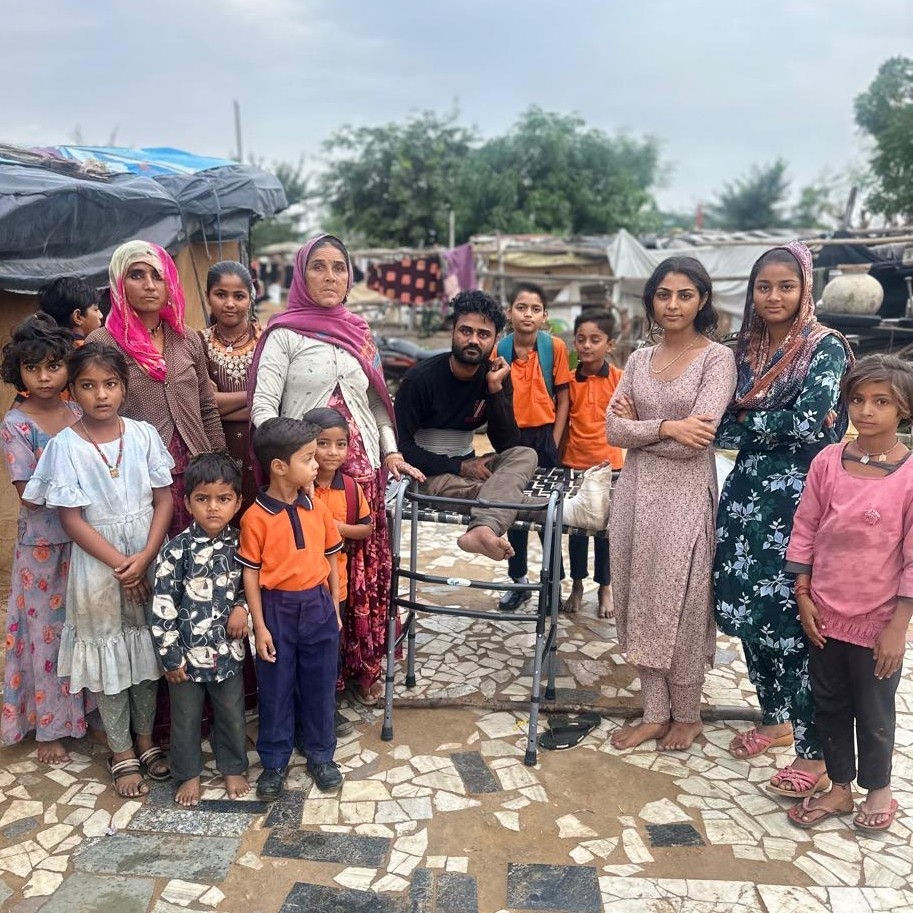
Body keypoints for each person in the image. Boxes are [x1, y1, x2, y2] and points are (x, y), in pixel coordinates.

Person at [249, 234, 421, 707]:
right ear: (301, 274)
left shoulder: (361, 332)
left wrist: (389, 453)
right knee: (315, 576)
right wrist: (288, 467)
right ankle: (318, 681)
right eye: (319, 267)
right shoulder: (283, 334)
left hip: (361, 479)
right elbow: (263, 406)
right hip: (307, 483)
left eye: (339, 267)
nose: (330, 277)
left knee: (363, 575)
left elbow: (378, 405)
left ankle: (360, 667)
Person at [714, 241, 853, 798]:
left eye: (786, 286)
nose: (774, 297)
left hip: (800, 497)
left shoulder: (824, 348)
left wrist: (745, 418)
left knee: (790, 618)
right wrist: (751, 420)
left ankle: (815, 751)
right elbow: (716, 423)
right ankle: (774, 718)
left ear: (805, 290)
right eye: (764, 286)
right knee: (747, 609)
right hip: (745, 494)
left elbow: (810, 425)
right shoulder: (741, 349)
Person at [24, 342, 174, 797]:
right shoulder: (65, 447)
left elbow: (164, 498)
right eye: (88, 386)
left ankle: (146, 739)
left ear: (125, 388)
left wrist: (145, 559)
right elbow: (71, 518)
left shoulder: (145, 434)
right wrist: (120, 565)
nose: (101, 395)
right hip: (98, 568)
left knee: (147, 652)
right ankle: (120, 748)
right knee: (110, 656)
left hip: (149, 556)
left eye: (110, 384)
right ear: (73, 392)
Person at [607, 257, 737, 752]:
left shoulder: (715, 359)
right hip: (636, 493)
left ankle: (687, 712)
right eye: (664, 294)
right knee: (638, 594)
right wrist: (664, 427)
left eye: (685, 295)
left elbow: (698, 439)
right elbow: (612, 429)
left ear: (702, 299)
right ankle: (654, 712)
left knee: (683, 602)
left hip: (685, 496)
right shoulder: (640, 359)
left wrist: (649, 430)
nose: (673, 304)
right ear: (651, 301)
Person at [784, 355, 913, 830]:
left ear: (905, 409)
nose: (866, 410)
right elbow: (806, 526)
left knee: (873, 709)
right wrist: (803, 595)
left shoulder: (910, 475)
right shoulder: (827, 462)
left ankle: (879, 788)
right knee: (830, 703)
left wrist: (898, 627)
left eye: (882, 401)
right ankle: (839, 787)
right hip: (823, 614)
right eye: (857, 399)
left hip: (878, 622)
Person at [0, 317, 96, 762]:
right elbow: (29, 493)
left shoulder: (79, 412)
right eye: (32, 367)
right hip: (42, 547)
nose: (43, 376)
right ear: (17, 371)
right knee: (45, 635)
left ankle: (89, 710)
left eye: (54, 366)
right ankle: (48, 727)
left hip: (87, 540)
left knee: (86, 625)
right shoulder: (16, 424)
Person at [88, 240, 225, 540]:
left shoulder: (187, 338)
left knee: (200, 557)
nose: (149, 285)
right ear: (119, 282)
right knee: (152, 558)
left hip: (196, 470)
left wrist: (220, 462)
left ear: (170, 283)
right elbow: (94, 415)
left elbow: (206, 407)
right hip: (138, 476)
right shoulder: (101, 343)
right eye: (137, 275)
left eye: (158, 276)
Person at [238, 417, 344, 800]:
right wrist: (260, 627)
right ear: (279, 466)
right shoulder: (255, 517)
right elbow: (251, 575)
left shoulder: (317, 510)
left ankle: (320, 754)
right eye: (309, 458)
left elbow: (331, 558)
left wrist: (333, 605)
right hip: (277, 610)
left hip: (316, 605)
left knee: (319, 684)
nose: (317, 465)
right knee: (276, 687)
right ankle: (275, 760)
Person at [395, 290, 539, 562]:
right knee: (483, 493)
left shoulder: (495, 375)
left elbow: (507, 443)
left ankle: (483, 527)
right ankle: (565, 510)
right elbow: (401, 448)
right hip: (426, 474)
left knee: (525, 454)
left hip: (470, 463)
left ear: (495, 339)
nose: (473, 340)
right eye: (466, 331)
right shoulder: (419, 380)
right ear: (453, 331)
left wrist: (496, 391)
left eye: (483, 334)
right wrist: (460, 467)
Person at [151, 451, 250, 807]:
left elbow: (252, 586)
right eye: (203, 499)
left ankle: (233, 767)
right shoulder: (175, 551)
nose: (213, 508)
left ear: (237, 502)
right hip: (186, 661)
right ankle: (188, 773)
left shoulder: (243, 545)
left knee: (231, 715)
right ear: (188, 502)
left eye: (223, 499)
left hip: (228, 653)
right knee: (185, 719)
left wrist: (242, 608)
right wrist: (170, 657)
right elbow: (163, 606)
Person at [497, 282, 571, 611]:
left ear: (544, 316)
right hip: (513, 439)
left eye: (535, 309)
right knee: (513, 510)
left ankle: (552, 583)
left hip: (544, 437)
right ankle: (519, 581)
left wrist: (553, 441)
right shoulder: (501, 349)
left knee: (548, 512)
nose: (528, 314)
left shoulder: (552, 347)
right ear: (509, 312)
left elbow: (564, 398)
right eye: (521, 307)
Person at [303, 407, 373, 736]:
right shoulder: (299, 485)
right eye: (323, 443)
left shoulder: (349, 487)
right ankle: (303, 709)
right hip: (302, 583)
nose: (333, 452)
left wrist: (334, 527)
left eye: (340, 444)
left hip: (337, 585)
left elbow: (366, 528)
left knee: (330, 649)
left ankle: (327, 708)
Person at [562, 309, 624, 618]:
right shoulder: (568, 382)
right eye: (581, 340)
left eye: (595, 340)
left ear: (609, 344)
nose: (587, 346)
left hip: (610, 464)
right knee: (576, 531)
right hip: (574, 464)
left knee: (605, 532)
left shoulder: (619, 380)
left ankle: (605, 586)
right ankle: (576, 583)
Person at [199, 261, 262, 516]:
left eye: (239, 296)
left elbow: (276, 403)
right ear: (207, 297)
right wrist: (256, 396)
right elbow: (203, 404)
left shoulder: (267, 340)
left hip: (261, 449)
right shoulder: (197, 343)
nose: (230, 304)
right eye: (220, 294)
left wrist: (220, 403)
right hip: (216, 445)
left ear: (251, 297)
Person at [37, 277, 103, 342]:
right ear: (77, 317)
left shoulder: (39, 346)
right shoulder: (88, 351)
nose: (101, 315)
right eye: (96, 310)